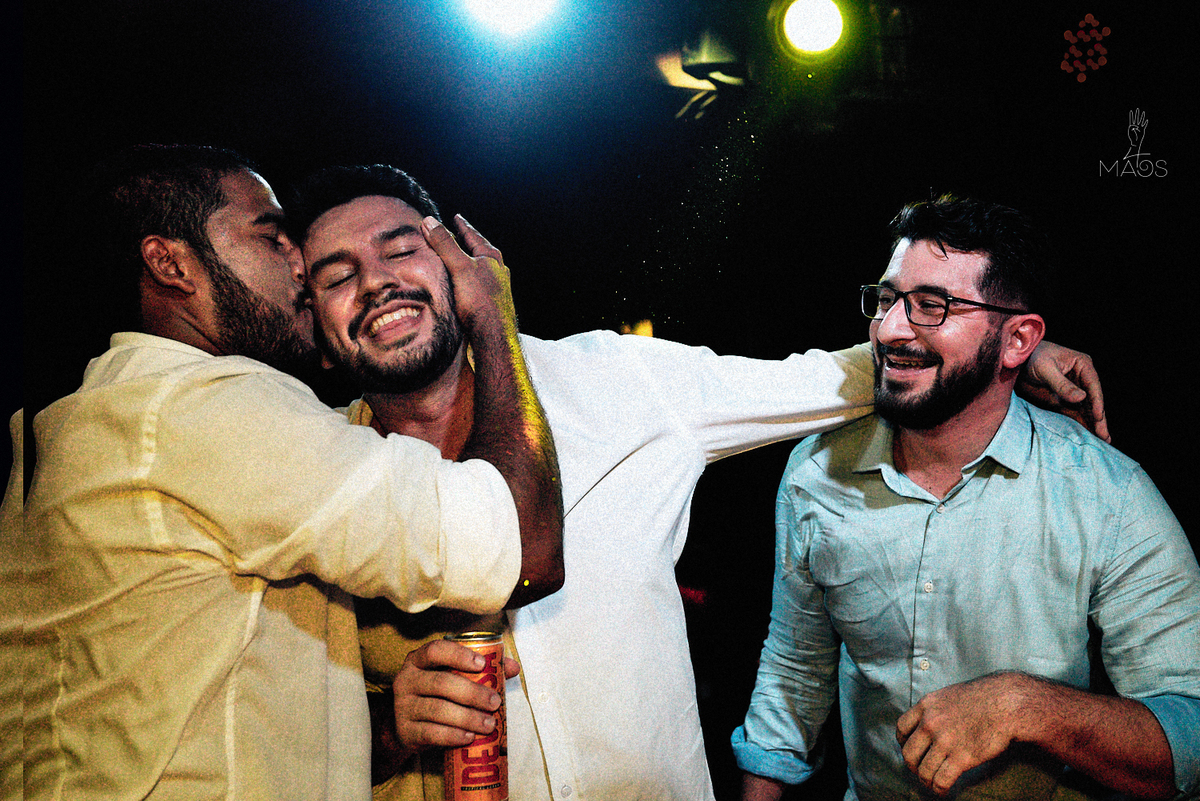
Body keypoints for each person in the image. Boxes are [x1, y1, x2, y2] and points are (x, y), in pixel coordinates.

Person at [288, 165, 1110, 801]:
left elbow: (823, 378)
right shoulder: (307, 484)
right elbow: (272, 739)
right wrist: (388, 728)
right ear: (316, 336)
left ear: (460, 267)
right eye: (335, 274)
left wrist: (997, 349)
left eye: (400, 248)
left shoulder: (614, 382)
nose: (376, 281)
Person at [9, 144, 564, 800]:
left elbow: (238, 708)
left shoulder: (97, 413)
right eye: (270, 237)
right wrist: (491, 319)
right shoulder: (209, 407)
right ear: (170, 262)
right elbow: (520, 544)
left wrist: (390, 722)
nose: (299, 263)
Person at [733, 195, 1200, 801]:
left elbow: (1189, 732)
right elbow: (793, 676)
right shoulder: (816, 472)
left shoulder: (1106, 494)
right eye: (887, 299)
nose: (891, 329)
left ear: (1018, 341)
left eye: (933, 306)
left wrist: (1025, 706)